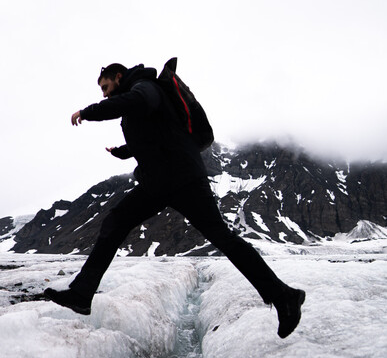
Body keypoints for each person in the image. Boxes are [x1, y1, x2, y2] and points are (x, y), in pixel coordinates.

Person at [44, 62, 305, 338]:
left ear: (118, 77)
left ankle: (284, 297)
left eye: (107, 87)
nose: (106, 95)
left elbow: (136, 103)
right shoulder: (141, 94)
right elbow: (154, 136)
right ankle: (82, 294)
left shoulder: (145, 87)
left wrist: (88, 112)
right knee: (115, 223)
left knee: (222, 238)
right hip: (162, 180)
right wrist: (122, 152)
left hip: (181, 180)